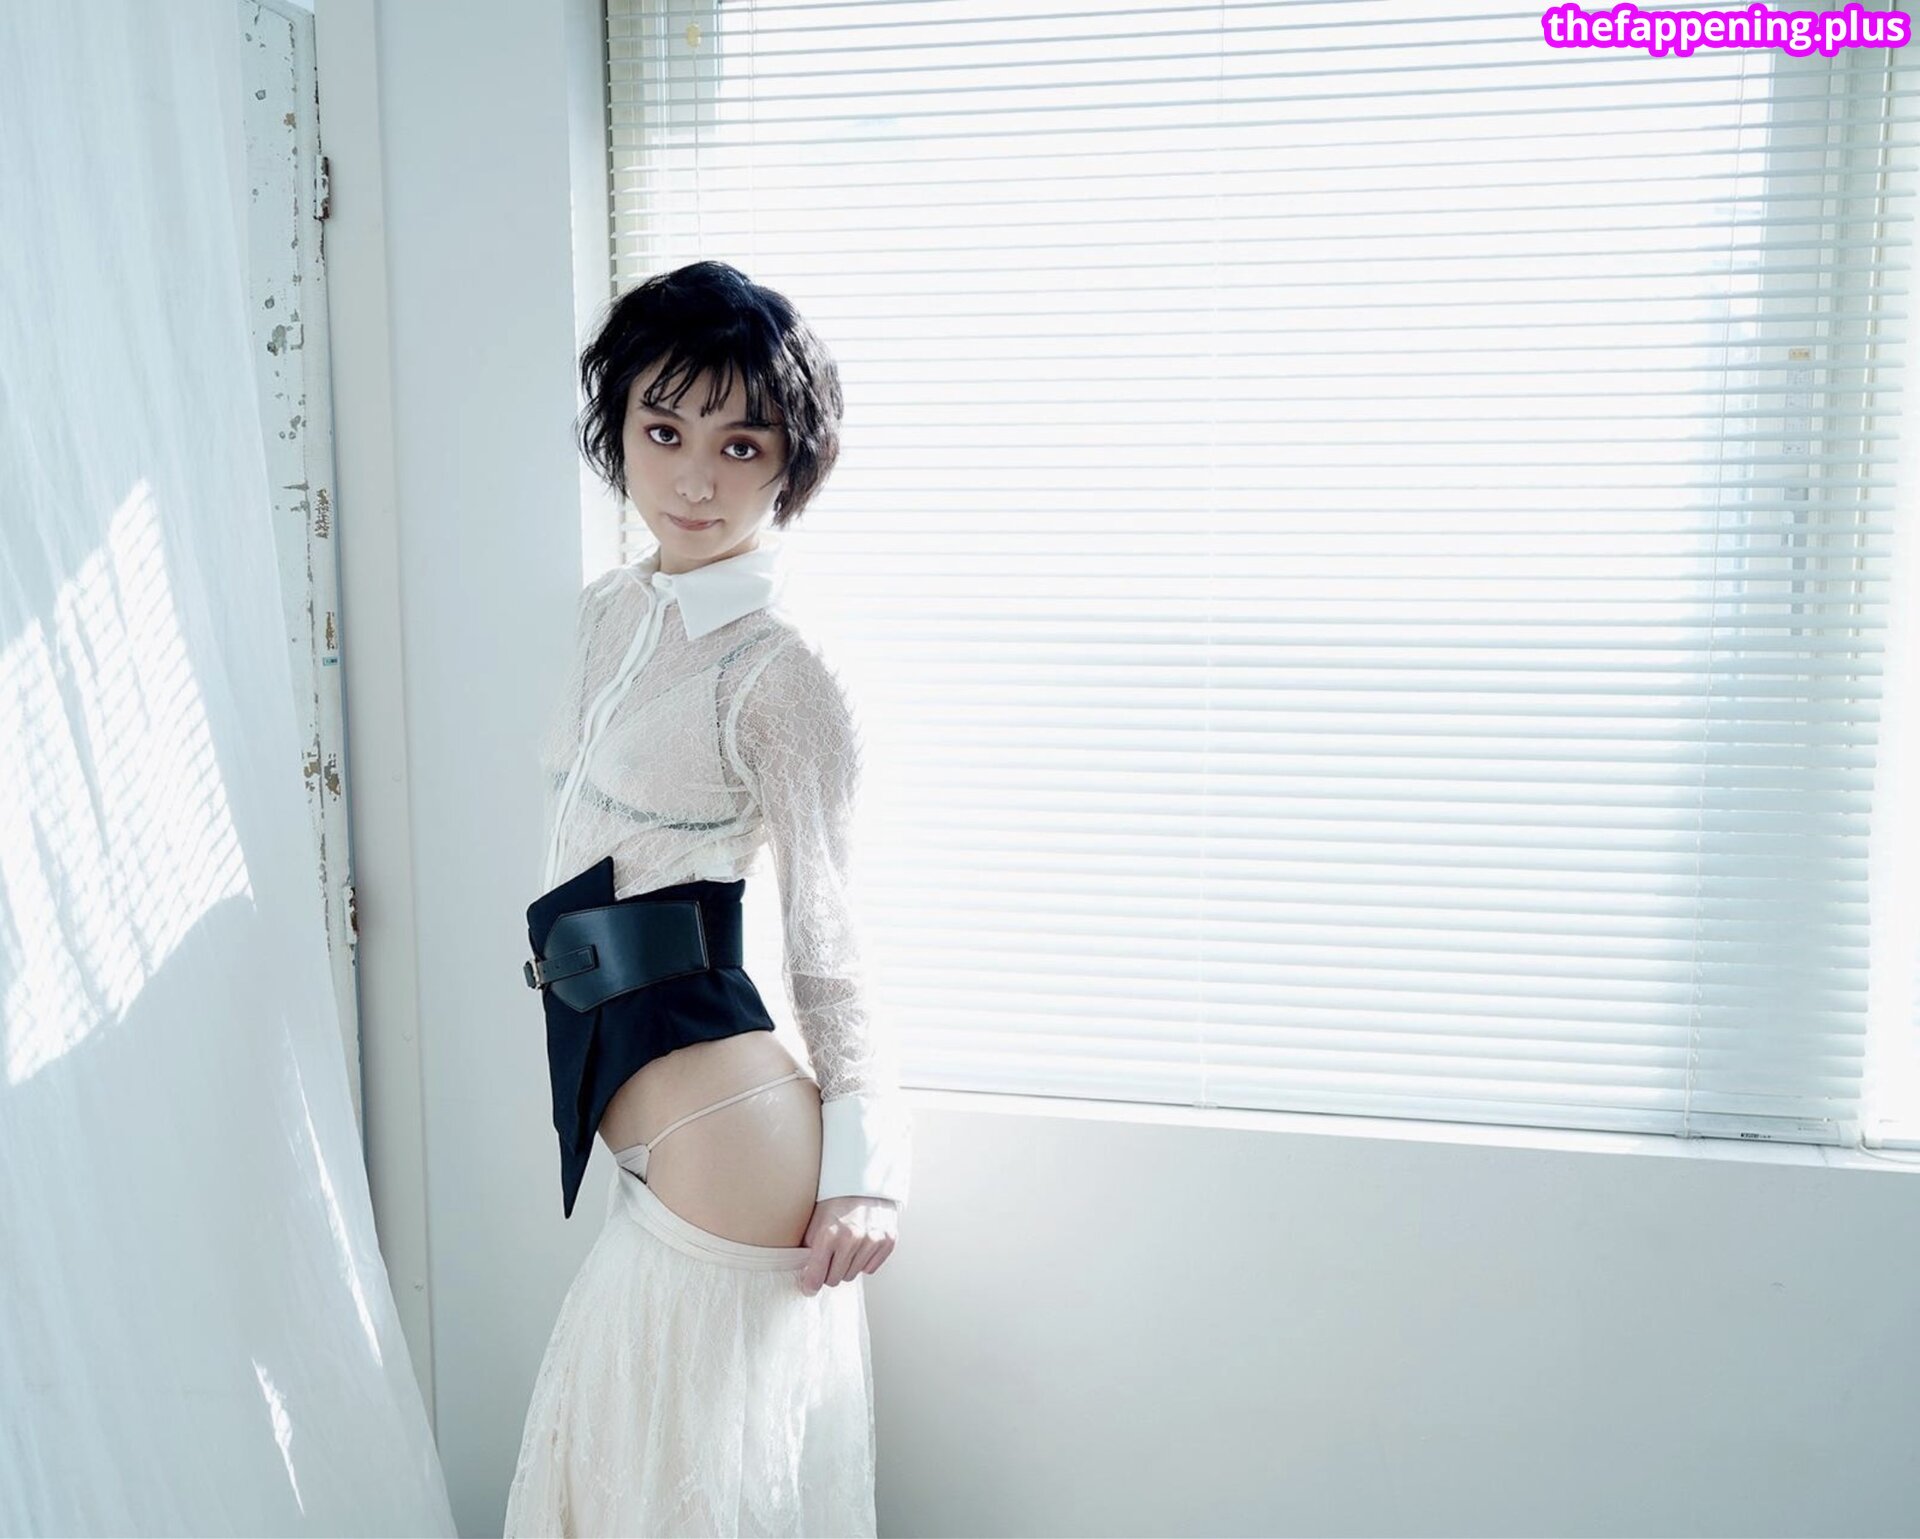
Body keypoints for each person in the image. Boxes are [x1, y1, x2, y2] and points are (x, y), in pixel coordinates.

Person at [503, 260, 911, 1538]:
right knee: (608, 1481)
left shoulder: (782, 672)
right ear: (617, 428)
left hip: (725, 1122)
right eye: (662, 430)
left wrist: (868, 1170)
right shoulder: (602, 616)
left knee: (670, 1503)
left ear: (789, 464)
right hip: (627, 1095)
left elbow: (829, 931)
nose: (692, 480)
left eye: (741, 445)